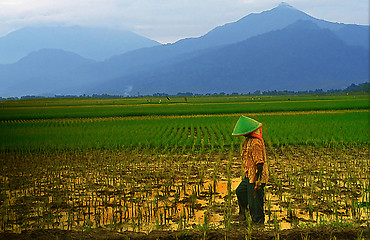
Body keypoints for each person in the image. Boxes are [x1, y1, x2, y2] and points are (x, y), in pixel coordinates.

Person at [232, 116, 269, 224]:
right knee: (240, 191)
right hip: (249, 175)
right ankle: (243, 214)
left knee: (255, 201)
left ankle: (258, 222)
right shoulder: (248, 141)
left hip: (256, 176)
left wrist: (258, 181)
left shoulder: (256, 142)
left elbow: (260, 163)